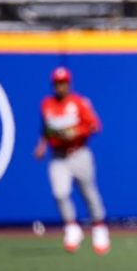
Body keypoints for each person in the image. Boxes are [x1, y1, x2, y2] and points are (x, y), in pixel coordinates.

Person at [34, 66, 110, 255]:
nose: (61, 86)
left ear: (69, 84)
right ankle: (72, 228)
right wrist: (42, 145)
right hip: (58, 155)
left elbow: (94, 125)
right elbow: (46, 128)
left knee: (89, 193)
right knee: (60, 193)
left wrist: (75, 132)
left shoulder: (79, 102)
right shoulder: (47, 104)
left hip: (79, 152)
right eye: (58, 83)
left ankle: (99, 228)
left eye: (64, 83)